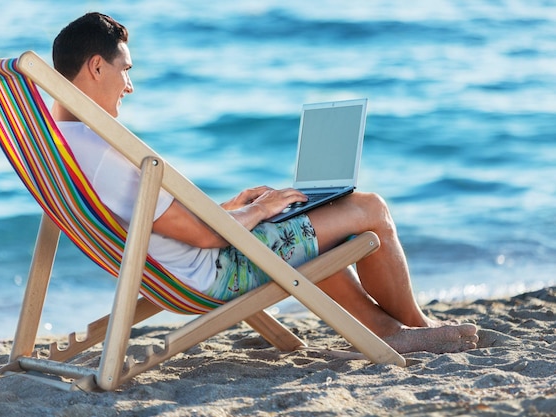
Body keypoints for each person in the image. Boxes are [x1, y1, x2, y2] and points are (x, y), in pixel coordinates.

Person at [51, 12, 479, 354]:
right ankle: (415, 328)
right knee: (370, 210)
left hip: (178, 266)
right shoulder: (106, 152)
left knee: (305, 224)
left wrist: (235, 207)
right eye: (125, 70)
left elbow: (164, 221)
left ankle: (386, 327)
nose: (130, 84)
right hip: (216, 272)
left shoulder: (65, 143)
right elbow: (201, 236)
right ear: (95, 66)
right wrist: (258, 212)